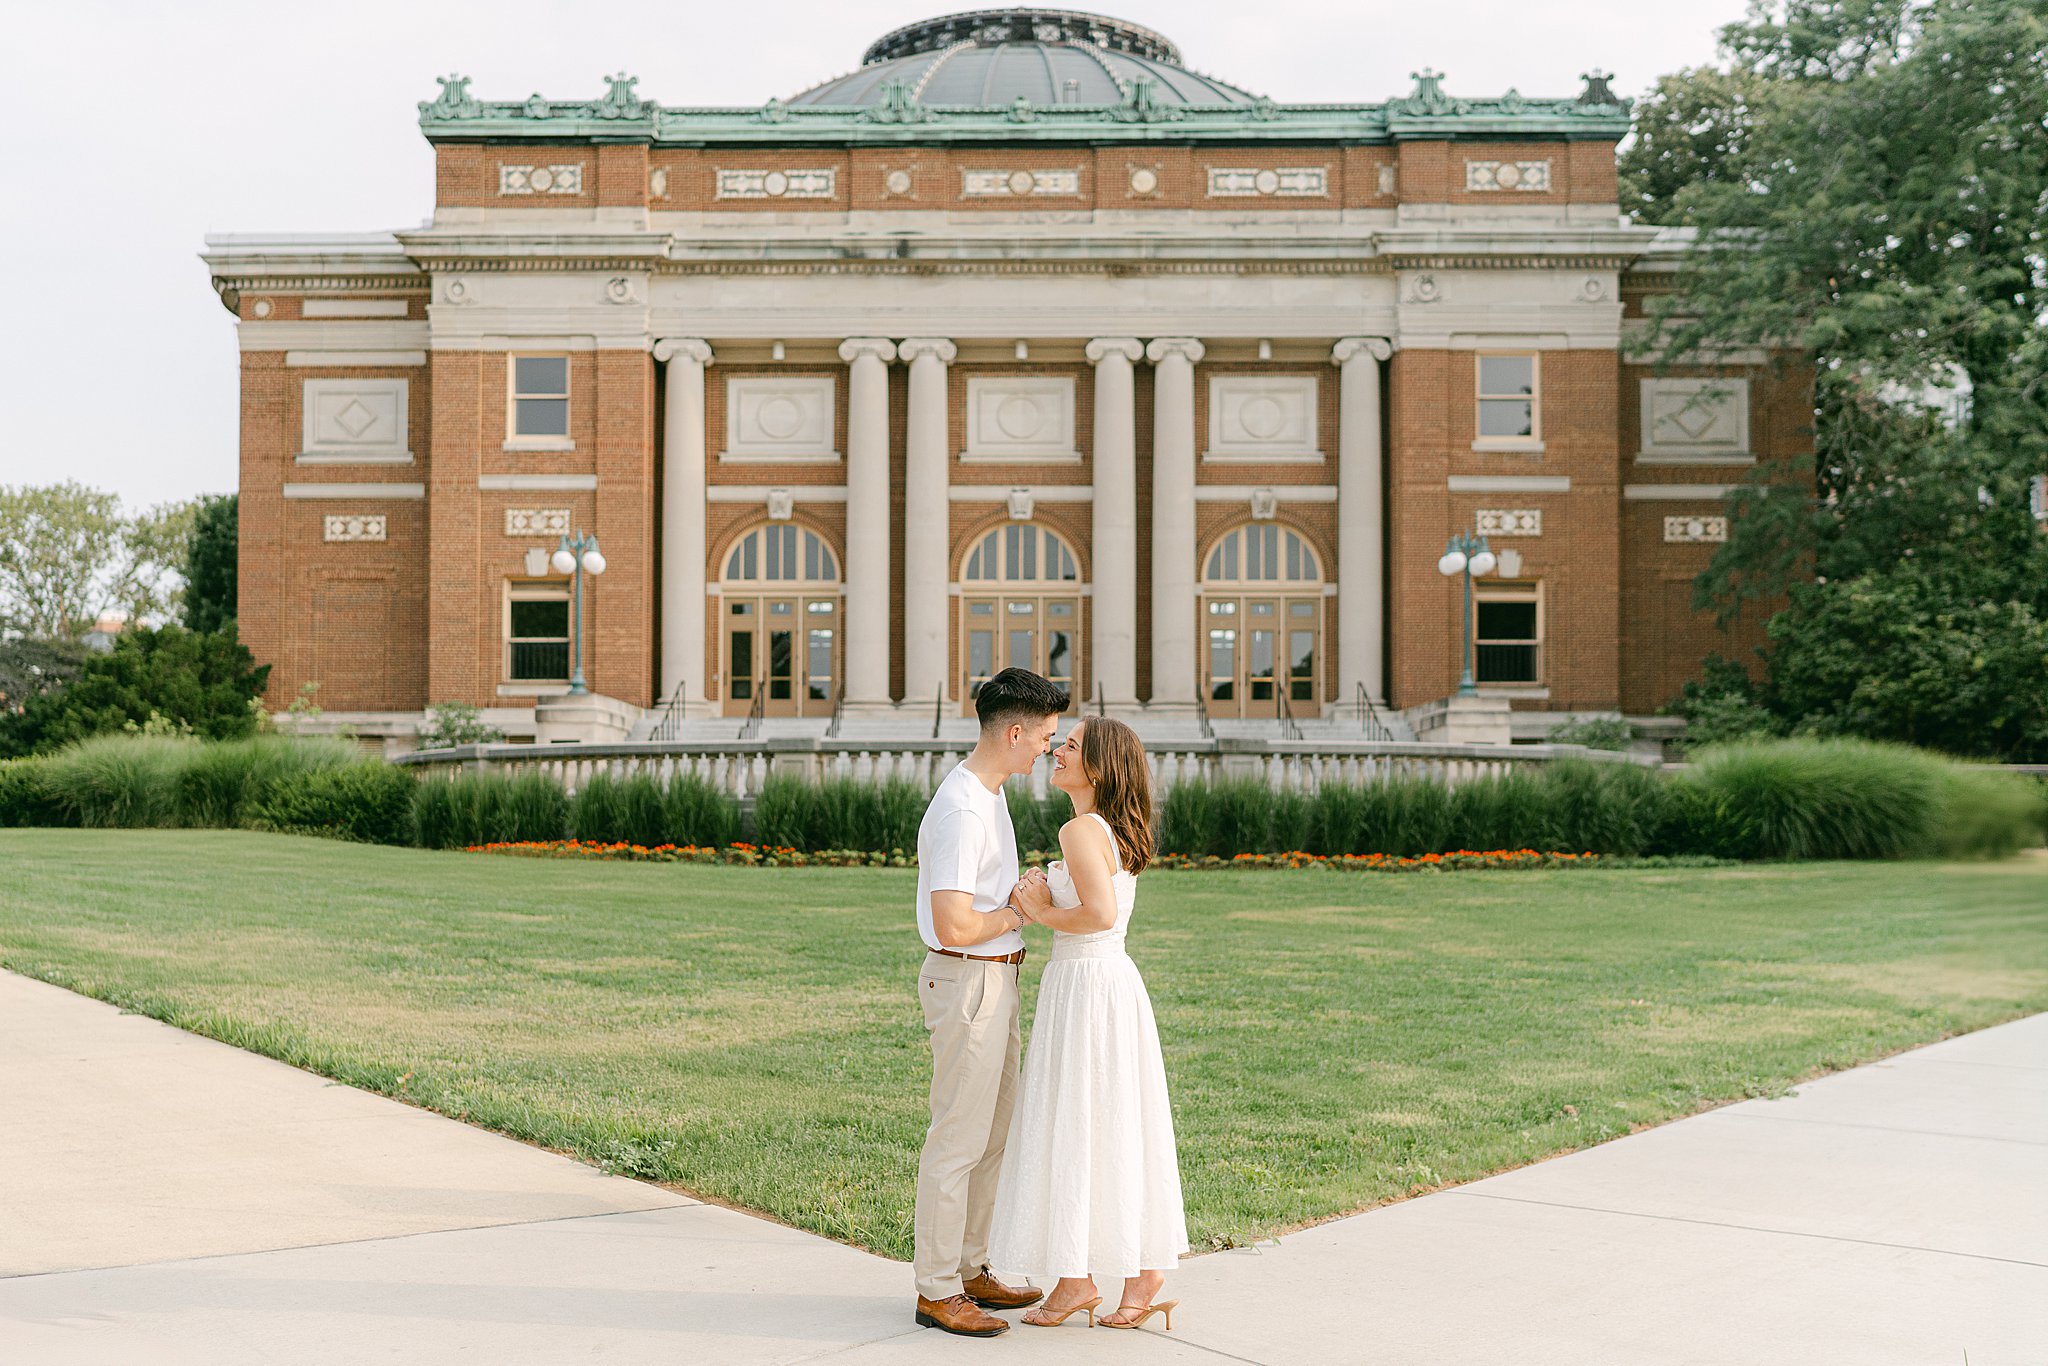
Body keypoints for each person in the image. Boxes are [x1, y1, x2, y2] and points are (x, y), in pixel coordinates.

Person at [990, 717, 1188, 1331]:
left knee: (1081, 1115)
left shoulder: (1080, 829)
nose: (1056, 750)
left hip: (1088, 985)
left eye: (1070, 747)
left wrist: (1040, 909)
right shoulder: (1105, 829)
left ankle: (1120, 1275)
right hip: (1101, 985)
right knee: (1103, 1120)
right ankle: (1090, 1277)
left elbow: (1098, 914)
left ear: (1097, 767)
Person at [910, 667, 1070, 1339]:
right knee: (958, 1139)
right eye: (1045, 738)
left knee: (992, 1134)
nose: (1049, 751)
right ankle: (938, 1289)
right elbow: (954, 924)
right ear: (1013, 732)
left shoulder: (991, 794)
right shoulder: (963, 807)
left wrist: (1012, 904)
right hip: (967, 979)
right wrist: (1014, 914)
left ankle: (970, 1267)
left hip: (994, 981)